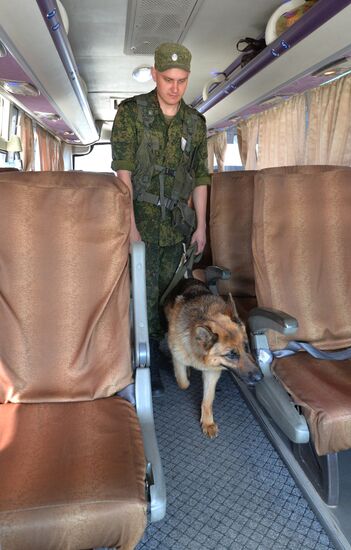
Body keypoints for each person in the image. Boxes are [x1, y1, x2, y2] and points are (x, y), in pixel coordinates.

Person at [111, 42, 210, 396]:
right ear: (154, 74)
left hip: (178, 227)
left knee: (173, 295)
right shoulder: (132, 113)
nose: (175, 87)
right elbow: (122, 171)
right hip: (142, 220)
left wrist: (201, 224)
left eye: (182, 80)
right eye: (168, 79)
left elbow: (200, 177)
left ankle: (166, 348)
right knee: (141, 293)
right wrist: (130, 224)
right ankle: (146, 358)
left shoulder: (195, 123)